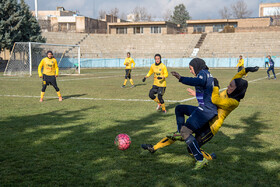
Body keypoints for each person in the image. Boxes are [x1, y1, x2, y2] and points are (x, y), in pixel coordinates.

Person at [142, 66, 259, 162]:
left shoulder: (233, 102)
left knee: (190, 148)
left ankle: (210, 158)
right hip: (205, 113)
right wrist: (246, 70)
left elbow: (215, 100)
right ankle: (154, 147)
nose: (228, 86)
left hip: (210, 127)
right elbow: (237, 77)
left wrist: (216, 86)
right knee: (182, 125)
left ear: (237, 90)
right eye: (229, 84)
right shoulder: (232, 90)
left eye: (231, 86)